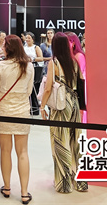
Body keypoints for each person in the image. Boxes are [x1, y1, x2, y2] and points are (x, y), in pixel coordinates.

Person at [39, 32, 87, 194]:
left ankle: (64, 184)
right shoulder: (74, 61)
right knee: (75, 141)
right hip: (74, 103)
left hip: (61, 105)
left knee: (60, 142)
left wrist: (42, 107)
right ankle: (80, 182)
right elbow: (81, 82)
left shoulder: (54, 62)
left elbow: (47, 89)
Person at [0, 35, 34, 204]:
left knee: (5, 150)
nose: (2, 48)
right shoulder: (28, 66)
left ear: (8, 48)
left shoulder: (0, 66)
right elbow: (29, 91)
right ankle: (24, 192)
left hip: (4, 111)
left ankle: (7, 187)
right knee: (23, 152)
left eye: (3, 45)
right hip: (22, 111)